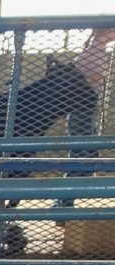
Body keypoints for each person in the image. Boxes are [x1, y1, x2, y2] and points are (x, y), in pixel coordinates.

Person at [55, 28, 115, 217]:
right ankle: (63, 204)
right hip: (82, 109)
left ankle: (64, 202)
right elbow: (88, 78)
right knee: (81, 155)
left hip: (86, 109)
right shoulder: (93, 51)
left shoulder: (94, 50)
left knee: (86, 155)